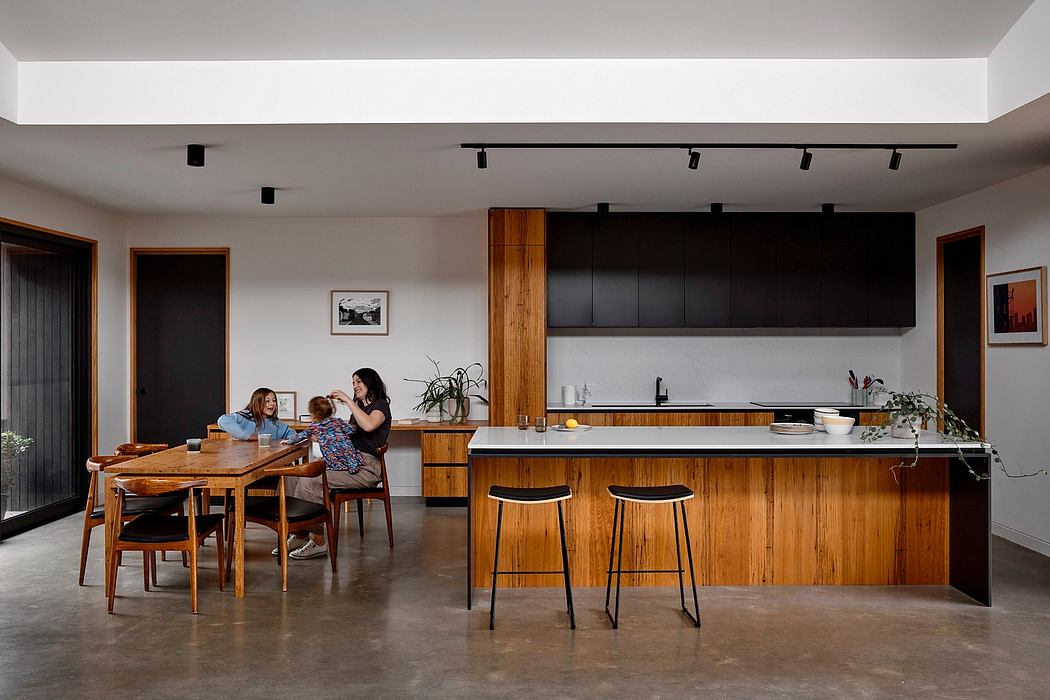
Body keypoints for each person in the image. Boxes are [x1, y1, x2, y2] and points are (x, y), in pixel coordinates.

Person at [279, 368, 392, 560]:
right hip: (347, 462)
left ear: (369, 382)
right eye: (353, 382)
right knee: (291, 477)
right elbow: (348, 433)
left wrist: (347, 400)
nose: (355, 386)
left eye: (358, 381)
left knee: (310, 482)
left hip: (366, 468)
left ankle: (318, 541)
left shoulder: (380, 405)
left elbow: (369, 425)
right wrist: (323, 433)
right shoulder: (359, 407)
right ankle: (299, 533)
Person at [217, 387, 299, 442]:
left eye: (274, 401)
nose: (272, 404)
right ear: (257, 403)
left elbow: (291, 433)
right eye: (267, 401)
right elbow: (223, 420)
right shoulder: (245, 417)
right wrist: (248, 436)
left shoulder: (275, 423)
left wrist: (290, 440)